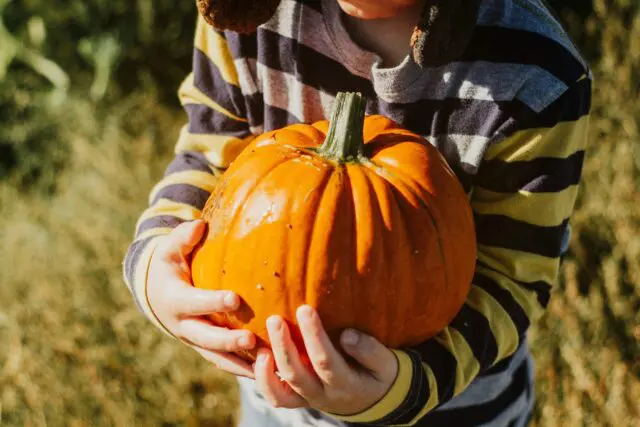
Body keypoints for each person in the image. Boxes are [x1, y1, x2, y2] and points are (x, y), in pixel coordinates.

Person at [122, 0, 592, 425]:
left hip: (450, 408)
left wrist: (401, 389)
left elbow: (510, 278)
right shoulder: (244, 16)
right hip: (274, 403)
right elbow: (208, 157)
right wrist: (156, 266)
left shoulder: (536, 76)